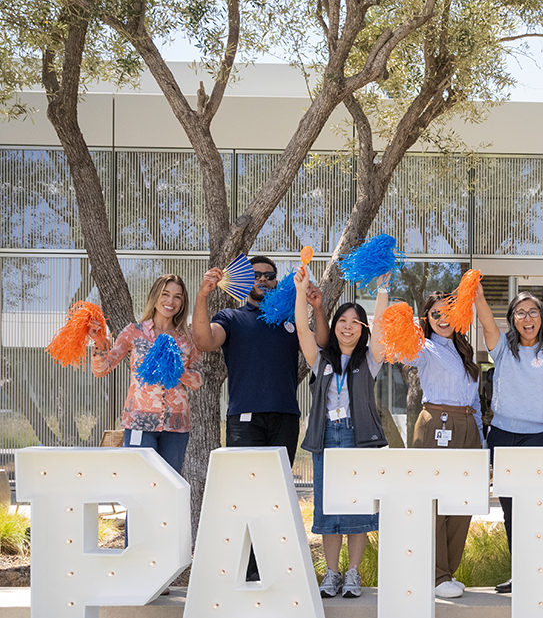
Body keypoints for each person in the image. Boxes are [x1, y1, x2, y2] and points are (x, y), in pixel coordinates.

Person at [294, 268, 388, 598]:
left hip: (357, 437)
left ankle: (353, 574)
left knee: (359, 507)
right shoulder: (322, 360)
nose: (348, 327)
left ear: (363, 330)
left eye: (355, 322)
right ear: (335, 327)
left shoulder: (371, 359)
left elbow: (383, 330)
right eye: (342, 321)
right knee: (328, 508)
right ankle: (331, 574)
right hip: (326, 437)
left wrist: (382, 290)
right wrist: (301, 289)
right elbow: (304, 333)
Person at [474, 286, 543, 594]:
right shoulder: (502, 348)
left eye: (533, 312)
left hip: (540, 436)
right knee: (511, 510)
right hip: (503, 436)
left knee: (540, 507)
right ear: (512, 318)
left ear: (541, 317)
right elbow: (487, 323)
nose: (527, 318)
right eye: (520, 312)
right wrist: (477, 294)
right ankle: (521, 574)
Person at [193, 255, 330, 462]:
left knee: (279, 485)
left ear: (276, 281)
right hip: (244, 416)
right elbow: (204, 342)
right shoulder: (231, 317)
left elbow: (320, 345)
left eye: (269, 275)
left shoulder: (291, 320)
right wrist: (202, 295)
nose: (262, 279)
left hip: (286, 416)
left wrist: (318, 309)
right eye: (255, 275)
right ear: (245, 281)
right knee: (246, 484)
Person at [407, 290, 487, 599]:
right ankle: (436, 574)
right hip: (437, 423)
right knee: (435, 501)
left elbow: (475, 403)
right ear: (427, 319)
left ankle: (447, 572)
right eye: (435, 314)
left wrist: (481, 441)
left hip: (467, 426)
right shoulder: (424, 347)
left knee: (462, 501)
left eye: (448, 313)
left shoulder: (463, 350)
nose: (443, 319)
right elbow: (400, 353)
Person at [91, 274, 202, 475]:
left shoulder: (188, 338)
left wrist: (175, 368)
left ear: (183, 302)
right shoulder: (134, 332)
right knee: (140, 483)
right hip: (139, 422)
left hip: (176, 426)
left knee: (170, 485)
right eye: (165, 294)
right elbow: (101, 369)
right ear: (155, 296)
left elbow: (197, 381)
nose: (171, 301)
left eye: (177, 297)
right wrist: (99, 342)